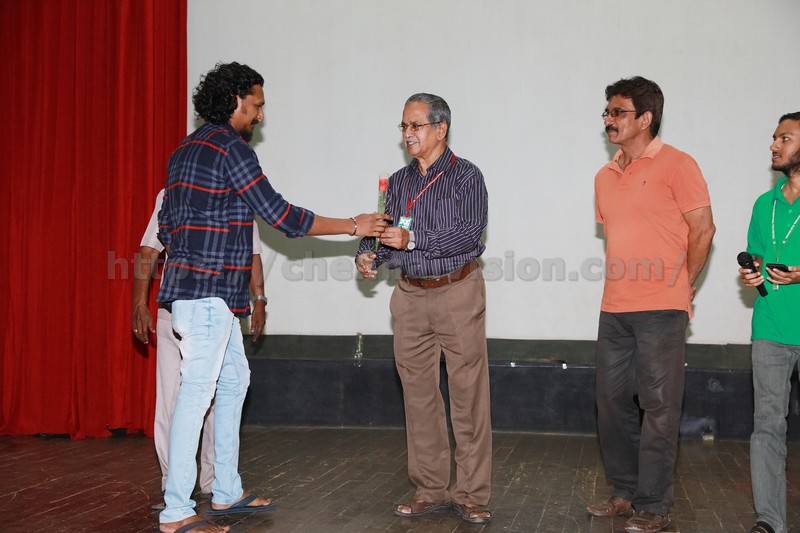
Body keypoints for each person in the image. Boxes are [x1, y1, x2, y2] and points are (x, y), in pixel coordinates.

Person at [156, 62, 390, 533]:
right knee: (196, 393)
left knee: (234, 381)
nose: (260, 115)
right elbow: (281, 216)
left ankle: (225, 491)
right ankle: (177, 510)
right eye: (256, 105)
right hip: (208, 294)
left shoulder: (184, 149)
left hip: (204, 294)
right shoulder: (230, 148)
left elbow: (166, 225)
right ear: (235, 101)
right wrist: (353, 225)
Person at [355, 93, 492, 524]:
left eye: (415, 125)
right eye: (404, 126)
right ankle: (430, 488)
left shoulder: (467, 176)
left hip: (457, 291)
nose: (408, 134)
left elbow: (469, 234)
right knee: (418, 397)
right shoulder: (398, 182)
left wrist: (413, 239)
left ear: (440, 128)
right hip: (410, 296)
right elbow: (384, 229)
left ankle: (471, 493)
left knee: (467, 396)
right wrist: (368, 253)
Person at [586, 76, 715, 533]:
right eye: (607, 112)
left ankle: (655, 505)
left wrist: (684, 283)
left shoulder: (679, 164)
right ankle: (624, 492)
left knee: (659, 407)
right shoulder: (604, 176)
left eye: (618, 112)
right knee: (610, 401)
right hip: (614, 308)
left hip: (662, 308)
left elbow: (703, 229)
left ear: (645, 118)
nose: (609, 120)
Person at [131, 189, 267, 511]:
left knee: (223, 396)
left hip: (223, 311)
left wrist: (260, 299)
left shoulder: (242, 194)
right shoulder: (171, 193)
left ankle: (215, 483)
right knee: (174, 401)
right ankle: (175, 489)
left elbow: (252, 253)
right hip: (175, 310)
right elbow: (149, 249)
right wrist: (139, 302)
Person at [738, 112, 800, 533]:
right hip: (770, 329)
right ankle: (770, 521)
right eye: (774, 137)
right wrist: (753, 270)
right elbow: (757, 253)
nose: (774, 145)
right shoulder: (765, 204)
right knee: (766, 427)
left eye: (785, 138)